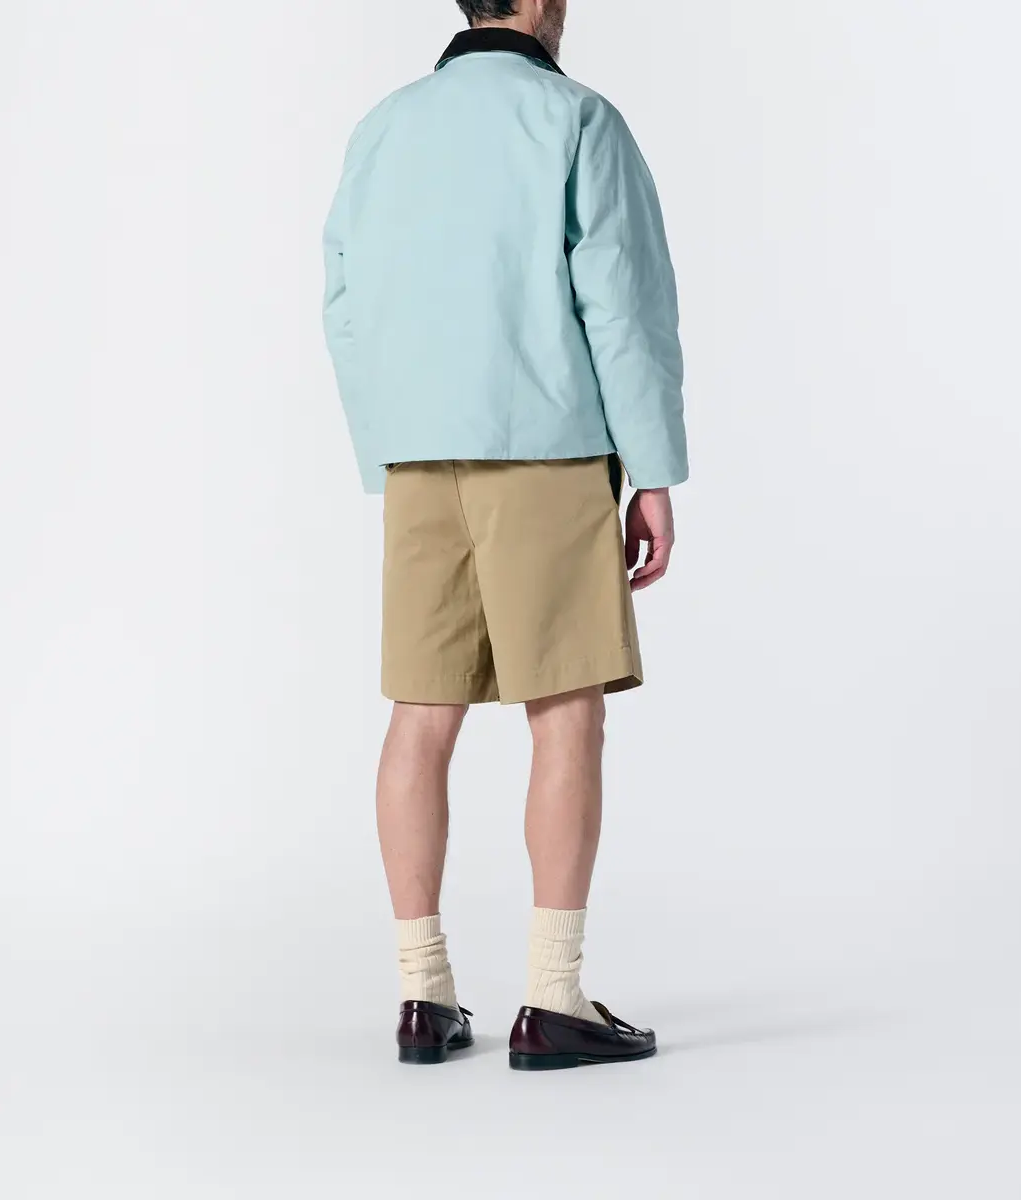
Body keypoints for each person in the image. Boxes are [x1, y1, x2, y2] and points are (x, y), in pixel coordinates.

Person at [323, 0, 687, 1070]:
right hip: (545, 444)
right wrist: (654, 470)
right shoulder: (575, 120)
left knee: (420, 714)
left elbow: (344, 302)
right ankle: (555, 997)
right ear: (537, 2)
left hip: (418, 454)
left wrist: (385, 444)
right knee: (565, 710)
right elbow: (621, 301)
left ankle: (423, 995)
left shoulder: (384, 127)